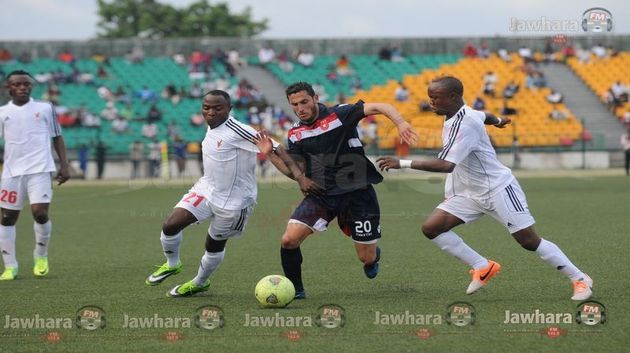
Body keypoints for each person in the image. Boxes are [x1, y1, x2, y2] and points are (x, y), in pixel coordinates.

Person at [376, 76, 593, 301]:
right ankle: (482, 266)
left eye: (436, 98)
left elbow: (446, 165)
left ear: (453, 97)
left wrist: (401, 163)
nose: (431, 102)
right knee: (432, 228)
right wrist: (498, 120)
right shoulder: (462, 113)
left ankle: (579, 278)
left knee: (528, 241)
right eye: (430, 97)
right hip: (470, 192)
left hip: (497, 189)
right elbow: (485, 115)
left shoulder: (465, 123)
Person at [258, 81, 418, 299]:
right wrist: (270, 155)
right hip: (321, 195)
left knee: (366, 259)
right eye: (294, 104)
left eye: (304, 101)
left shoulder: (340, 114)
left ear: (315, 98)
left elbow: (381, 106)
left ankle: (373, 255)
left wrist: (400, 123)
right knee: (288, 240)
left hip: (358, 194)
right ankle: (296, 290)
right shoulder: (295, 133)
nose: (300, 108)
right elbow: (297, 172)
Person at [144, 90, 304, 297]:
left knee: (213, 244)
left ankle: (200, 282)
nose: (210, 112)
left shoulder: (238, 130)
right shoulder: (213, 127)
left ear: (229, 109)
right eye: (206, 107)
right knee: (170, 225)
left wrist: (300, 177)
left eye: (217, 108)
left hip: (235, 202)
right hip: (206, 189)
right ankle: (172, 264)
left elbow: (276, 147)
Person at [0, 70, 70, 280]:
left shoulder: (45, 108)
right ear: (8, 88)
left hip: (40, 169)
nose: (23, 87)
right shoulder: (2, 112)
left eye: (27, 84)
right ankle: (10, 266)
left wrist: (64, 165)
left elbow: (57, 136)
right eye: (18, 84)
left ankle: (40, 255)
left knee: (40, 213)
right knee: (7, 218)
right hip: (11, 173)